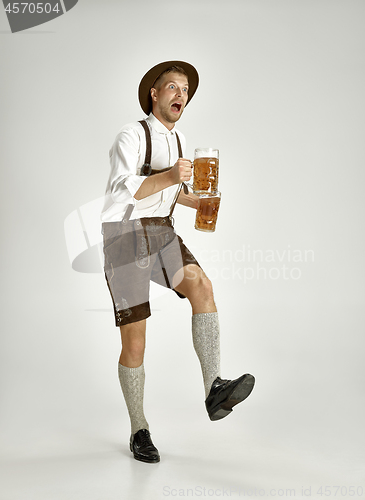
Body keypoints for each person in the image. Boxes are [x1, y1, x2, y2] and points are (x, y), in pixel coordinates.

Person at [101, 60, 255, 464]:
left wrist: (200, 200)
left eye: (185, 89)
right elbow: (127, 190)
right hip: (124, 236)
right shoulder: (131, 134)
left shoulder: (183, 139)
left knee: (201, 286)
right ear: (154, 94)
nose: (180, 95)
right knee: (135, 341)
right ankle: (139, 429)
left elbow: (173, 193)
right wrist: (172, 177)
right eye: (171, 87)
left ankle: (214, 389)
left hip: (162, 232)